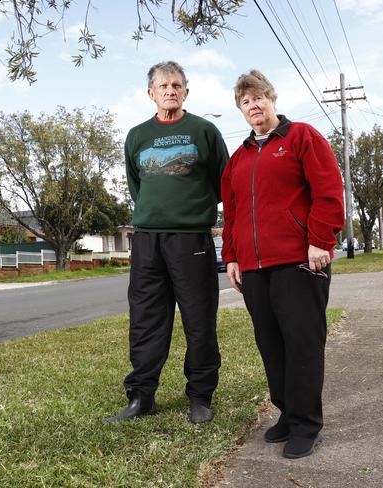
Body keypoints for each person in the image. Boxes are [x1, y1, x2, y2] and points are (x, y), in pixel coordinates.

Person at [221, 69, 344, 458]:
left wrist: (319, 241)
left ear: (271, 99)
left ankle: (307, 424)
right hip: (255, 268)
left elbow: (328, 190)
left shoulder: (301, 136)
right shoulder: (238, 158)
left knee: (302, 343)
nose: (253, 105)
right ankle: (289, 414)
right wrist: (233, 257)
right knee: (271, 344)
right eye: (245, 101)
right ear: (240, 110)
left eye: (258, 97)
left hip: (298, 261)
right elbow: (233, 213)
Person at [103, 61, 229, 424]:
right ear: (151, 93)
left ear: (186, 91)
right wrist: (155, 214)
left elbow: (225, 185)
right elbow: (137, 187)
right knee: (145, 320)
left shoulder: (204, 131)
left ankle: (200, 397)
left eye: (177, 85)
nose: (170, 90)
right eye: (163, 86)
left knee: (198, 320)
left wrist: (191, 210)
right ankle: (142, 397)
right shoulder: (137, 136)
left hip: (191, 239)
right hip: (146, 241)